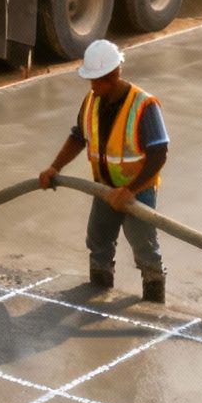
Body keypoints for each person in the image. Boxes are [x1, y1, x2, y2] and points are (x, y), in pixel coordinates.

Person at [37, 39, 169, 303]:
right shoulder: (92, 101)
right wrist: (55, 167)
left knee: (144, 248)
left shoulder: (144, 106)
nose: (93, 87)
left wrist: (130, 190)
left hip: (137, 191)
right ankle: (98, 296)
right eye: (91, 81)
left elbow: (159, 154)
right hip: (104, 188)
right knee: (98, 241)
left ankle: (154, 299)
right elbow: (78, 137)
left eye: (97, 81)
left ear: (114, 74)